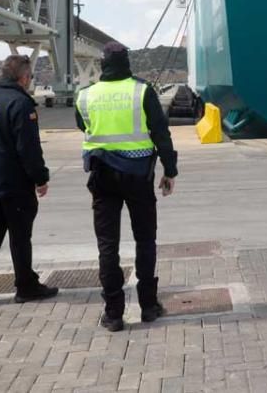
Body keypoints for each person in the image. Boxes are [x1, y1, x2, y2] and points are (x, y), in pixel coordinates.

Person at [75, 42, 178, 332]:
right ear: (127, 62)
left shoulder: (84, 95)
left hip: (102, 175)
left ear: (103, 64)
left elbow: (84, 127)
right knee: (145, 240)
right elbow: (161, 132)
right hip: (138, 175)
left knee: (108, 245)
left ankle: (113, 313)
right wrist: (170, 170)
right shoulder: (142, 91)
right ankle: (148, 306)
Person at [0, 55, 59, 308]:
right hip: (15, 186)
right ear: (24, 77)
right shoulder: (20, 104)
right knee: (19, 236)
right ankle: (26, 286)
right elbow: (28, 148)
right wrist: (40, 178)